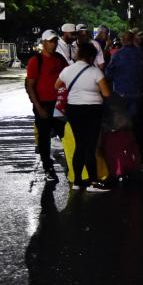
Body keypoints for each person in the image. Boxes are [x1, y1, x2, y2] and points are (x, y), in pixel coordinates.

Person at [55, 42, 112, 192]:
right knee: (90, 146)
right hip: (93, 110)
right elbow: (106, 93)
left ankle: (77, 182)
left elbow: (57, 85)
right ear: (91, 56)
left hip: (73, 109)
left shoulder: (67, 70)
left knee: (80, 145)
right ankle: (93, 182)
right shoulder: (95, 72)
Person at [26, 30, 69, 182]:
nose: (54, 44)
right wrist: (38, 107)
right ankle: (47, 167)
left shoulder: (59, 58)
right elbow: (30, 86)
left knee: (66, 134)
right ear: (43, 42)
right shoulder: (35, 61)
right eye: (50, 41)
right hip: (43, 104)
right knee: (44, 139)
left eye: (55, 41)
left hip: (59, 104)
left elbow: (67, 76)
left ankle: (72, 165)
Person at [105, 31, 143, 148]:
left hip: (121, 95)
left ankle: (122, 149)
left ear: (123, 40)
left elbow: (108, 74)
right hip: (138, 94)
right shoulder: (140, 54)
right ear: (133, 39)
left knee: (121, 123)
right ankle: (136, 150)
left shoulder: (117, 55)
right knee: (137, 124)